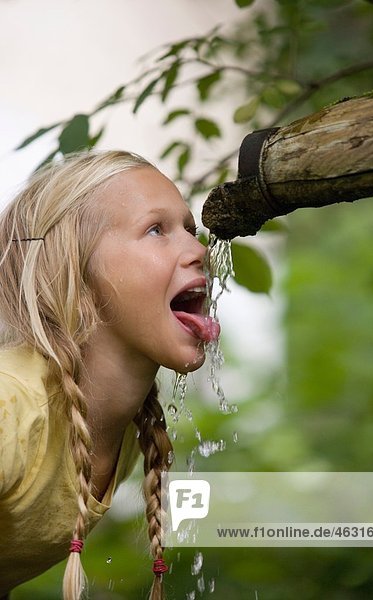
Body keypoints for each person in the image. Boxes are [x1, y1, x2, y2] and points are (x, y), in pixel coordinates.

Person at [0, 150, 220, 600]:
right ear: (76, 276)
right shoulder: (11, 410)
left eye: (191, 231)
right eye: (156, 229)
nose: (200, 251)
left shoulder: (115, 425)